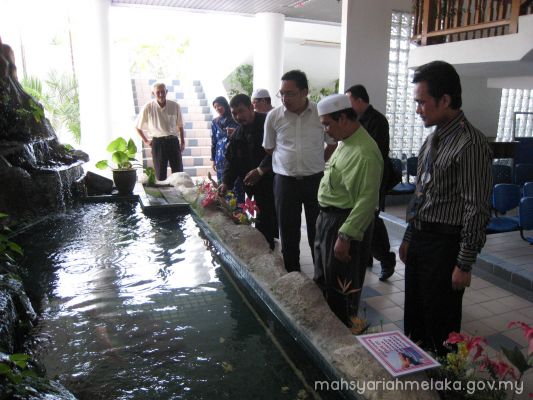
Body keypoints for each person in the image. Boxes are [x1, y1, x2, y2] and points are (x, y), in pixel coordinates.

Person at [399, 61, 492, 355]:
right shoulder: (433, 139)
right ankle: (417, 376)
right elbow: (422, 192)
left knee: (441, 329)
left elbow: (476, 208)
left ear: (445, 100)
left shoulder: (470, 143)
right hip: (421, 240)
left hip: (445, 246)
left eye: (422, 102)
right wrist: (410, 236)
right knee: (414, 320)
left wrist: (464, 264)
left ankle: (443, 382)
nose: (418, 109)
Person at [313, 94, 383, 326]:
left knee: (341, 288)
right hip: (329, 219)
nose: (326, 131)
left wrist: (345, 236)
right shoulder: (346, 141)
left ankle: (342, 333)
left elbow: (367, 201)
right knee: (324, 279)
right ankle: (326, 329)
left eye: (327, 124)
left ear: (343, 118)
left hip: (344, 223)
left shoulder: (364, 151)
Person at [263, 70, 337, 272]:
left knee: (318, 229)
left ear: (305, 92)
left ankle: (320, 276)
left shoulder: (320, 114)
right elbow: (269, 147)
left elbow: (332, 143)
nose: (284, 98)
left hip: (315, 180)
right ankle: (292, 275)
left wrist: (317, 161)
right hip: (285, 182)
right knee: (288, 232)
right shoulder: (273, 116)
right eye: (282, 93)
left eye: (290, 93)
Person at [345, 84, 396, 281]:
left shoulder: (378, 121)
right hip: (356, 177)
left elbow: (374, 153)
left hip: (373, 178)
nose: (347, 105)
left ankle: (386, 259)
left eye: (349, 101)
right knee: (362, 218)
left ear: (359, 100)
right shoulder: (356, 120)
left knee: (371, 219)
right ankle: (366, 257)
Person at [218, 94, 278, 249]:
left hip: (273, 182)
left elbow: (278, 149)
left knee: (271, 222)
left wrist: (261, 170)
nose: (238, 117)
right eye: (234, 113)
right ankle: (266, 249)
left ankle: (270, 251)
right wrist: (225, 183)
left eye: (241, 111)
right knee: (262, 223)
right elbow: (231, 162)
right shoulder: (237, 134)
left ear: (251, 108)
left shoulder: (267, 123)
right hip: (254, 186)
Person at [135, 82, 185, 181]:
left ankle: (179, 190)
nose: (161, 94)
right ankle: (162, 191)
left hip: (173, 141)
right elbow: (137, 127)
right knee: (160, 175)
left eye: (163, 91)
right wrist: (146, 141)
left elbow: (180, 125)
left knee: (179, 173)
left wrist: (182, 141)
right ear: (153, 93)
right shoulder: (148, 107)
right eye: (158, 92)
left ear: (167, 92)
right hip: (158, 143)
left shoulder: (175, 106)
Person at [211, 96, 244, 202]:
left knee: (236, 185)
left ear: (225, 105)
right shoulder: (215, 122)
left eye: (219, 106)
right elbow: (214, 141)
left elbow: (243, 135)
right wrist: (213, 159)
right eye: (215, 107)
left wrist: (234, 132)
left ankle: (239, 209)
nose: (218, 108)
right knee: (222, 185)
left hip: (233, 157)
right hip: (220, 158)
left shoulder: (235, 119)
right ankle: (225, 208)